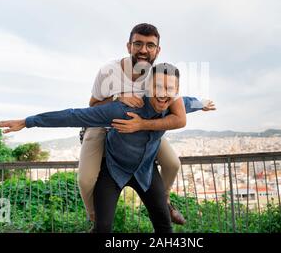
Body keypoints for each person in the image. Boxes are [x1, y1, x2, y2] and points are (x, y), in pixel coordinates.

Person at [0, 63, 216, 233]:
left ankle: (166, 205)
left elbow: (190, 102)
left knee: (163, 225)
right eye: (157, 86)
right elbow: (73, 115)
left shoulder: (176, 107)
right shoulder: (122, 109)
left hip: (145, 172)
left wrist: (203, 103)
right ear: (147, 87)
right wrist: (27, 121)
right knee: (102, 227)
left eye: (169, 89)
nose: (163, 93)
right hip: (113, 171)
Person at [80, 23, 196, 225]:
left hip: (139, 128)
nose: (144, 50)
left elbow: (178, 106)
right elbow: (92, 106)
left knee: (172, 163)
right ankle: (94, 218)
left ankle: (165, 202)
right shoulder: (109, 71)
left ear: (157, 50)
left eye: (150, 45)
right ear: (129, 46)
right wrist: (118, 97)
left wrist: (200, 103)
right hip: (105, 125)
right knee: (86, 179)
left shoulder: (159, 74)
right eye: (138, 44)